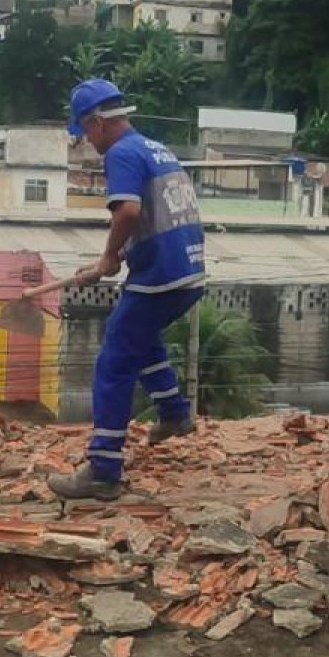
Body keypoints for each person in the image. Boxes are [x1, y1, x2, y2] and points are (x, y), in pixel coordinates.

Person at [47, 78, 206, 501]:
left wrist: (106, 258)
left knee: (114, 360)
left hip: (161, 273)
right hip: (186, 267)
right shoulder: (155, 147)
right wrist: (115, 258)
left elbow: (129, 212)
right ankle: (174, 413)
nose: (87, 144)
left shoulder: (120, 153)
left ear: (98, 123)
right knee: (140, 335)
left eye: (85, 133)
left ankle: (103, 469)